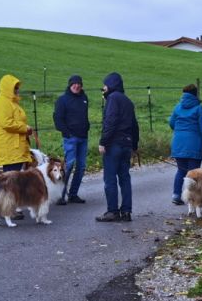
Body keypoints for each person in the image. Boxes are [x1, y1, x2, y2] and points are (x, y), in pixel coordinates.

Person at [97, 72, 138, 222]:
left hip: (114, 144)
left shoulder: (113, 99)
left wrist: (103, 142)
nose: (103, 88)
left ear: (110, 85)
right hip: (127, 144)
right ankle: (126, 211)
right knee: (125, 178)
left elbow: (110, 122)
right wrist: (134, 145)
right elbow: (134, 125)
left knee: (110, 179)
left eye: (104, 85)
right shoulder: (128, 101)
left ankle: (112, 211)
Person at [167, 83, 202, 206]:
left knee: (181, 170)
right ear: (196, 94)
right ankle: (193, 198)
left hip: (178, 144)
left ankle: (176, 195)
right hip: (194, 145)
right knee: (194, 173)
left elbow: (171, 123)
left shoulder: (177, 108)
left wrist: (180, 131)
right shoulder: (200, 109)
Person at [53, 74, 89, 205]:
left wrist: (87, 127)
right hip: (70, 138)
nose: (76, 86)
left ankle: (73, 194)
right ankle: (60, 195)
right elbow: (57, 119)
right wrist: (67, 133)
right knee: (68, 166)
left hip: (83, 137)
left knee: (81, 166)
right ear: (70, 85)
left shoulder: (84, 98)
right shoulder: (62, 100)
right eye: (74, 83)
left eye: (79, 84)